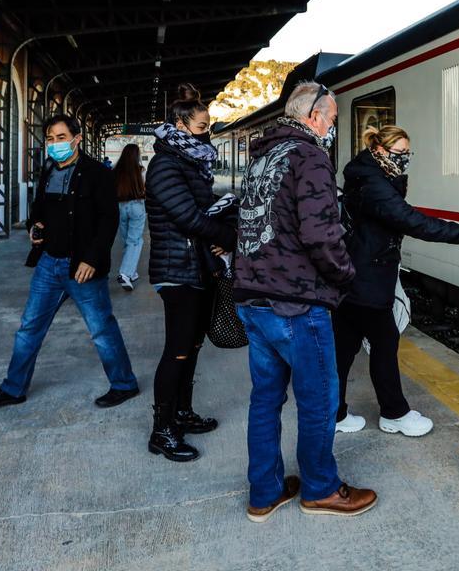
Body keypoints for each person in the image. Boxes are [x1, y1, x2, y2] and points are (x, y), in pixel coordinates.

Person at [234, 81, 377, 522]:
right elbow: (322, 235)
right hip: (295, 301)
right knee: (318, 400)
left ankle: (265, 491)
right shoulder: (310, 156)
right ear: (314, 116)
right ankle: (321, 488)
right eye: (332, 120)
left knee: (266, 400)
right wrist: (346, 278)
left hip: (254, 299)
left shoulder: (262, 157)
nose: (332, 128)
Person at [0, 114, 139, 409]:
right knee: (29, 328)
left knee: (101, 329)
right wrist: (34, 229)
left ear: (77, 139)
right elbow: (39, 210)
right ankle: (13, 389)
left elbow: (108, 219)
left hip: (81, 268)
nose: (54, 144)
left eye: (60, 138)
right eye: (50, 139)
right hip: (49, 264)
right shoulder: (48, 169)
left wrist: (92, 258)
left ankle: (124, 383)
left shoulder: (97, 173)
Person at [335, 125, 459, 437]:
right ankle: (394, 413)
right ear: (379, 150)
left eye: (407, 154)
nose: (404, 160)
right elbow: (411, 221)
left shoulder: (367, 175)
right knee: (383, 344)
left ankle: (333, 413)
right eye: (399, 154)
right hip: (368, 277)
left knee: (345, 347)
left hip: (357, 274)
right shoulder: (375, 185)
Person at [144, 83, 236, 462]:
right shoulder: (166, 164)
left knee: (192, 348)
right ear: (180, 125)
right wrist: (228, 235)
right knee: (177, 352)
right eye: (201, 128)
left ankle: (181, 413)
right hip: (177, 270)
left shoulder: (188, 161)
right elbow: (188, 217)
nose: (207, 133)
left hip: (194, 267)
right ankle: (162, 431)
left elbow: (205, 207)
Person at [113, 143, 147, 292]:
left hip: (120, 207)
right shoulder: (140, 170)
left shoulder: (116, 171)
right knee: (135, 241)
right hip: (137, 206)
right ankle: (125, 273)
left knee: (128, 240)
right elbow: (145, 188)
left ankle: (132, 272)